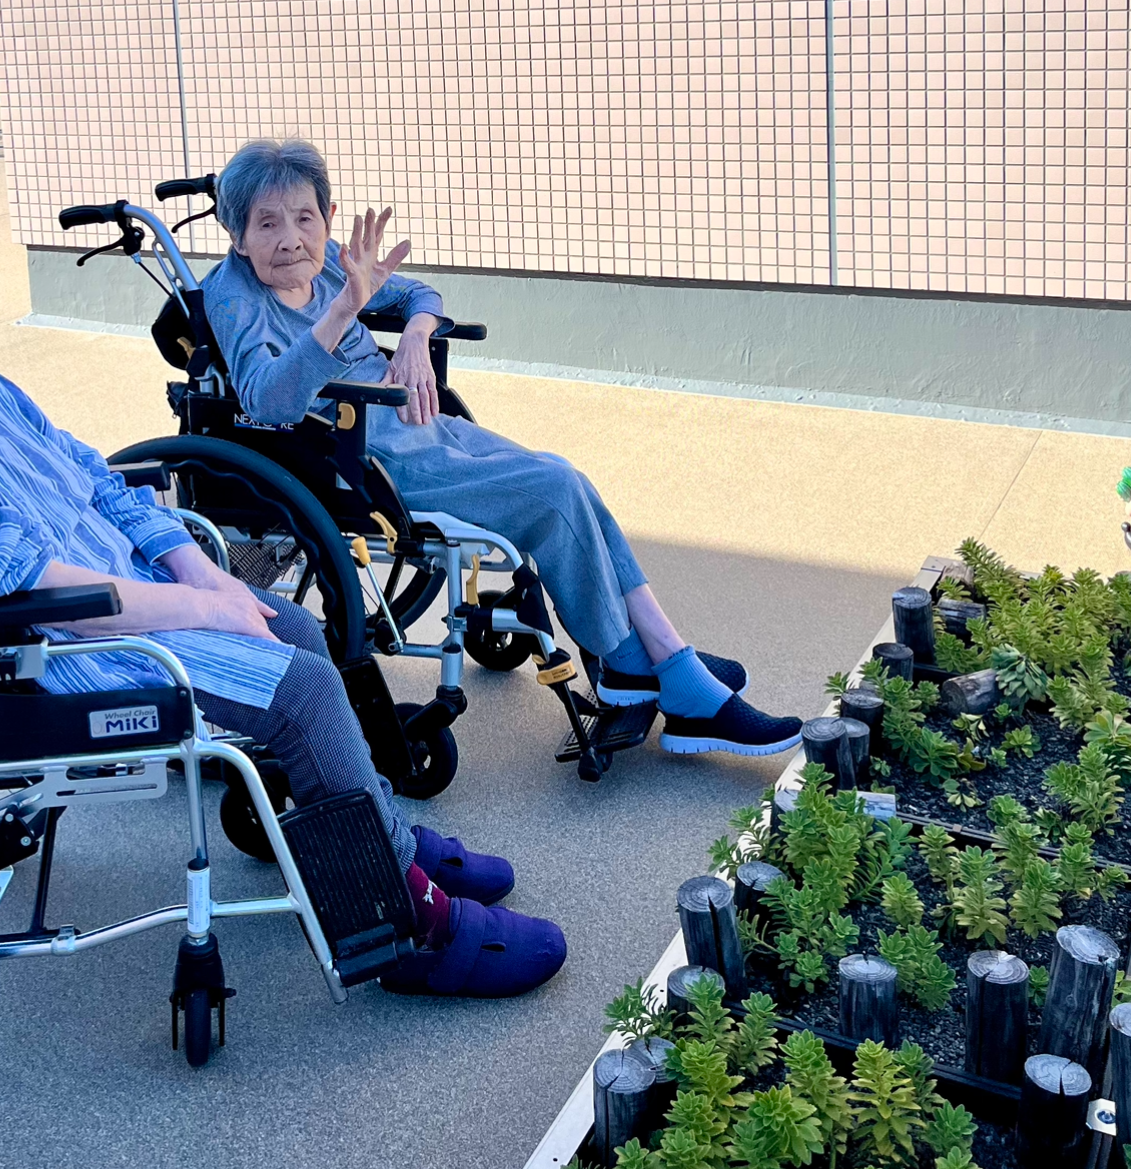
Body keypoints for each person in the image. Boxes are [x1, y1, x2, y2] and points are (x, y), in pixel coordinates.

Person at [0, 172, 564, 1000]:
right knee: (299, 688)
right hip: (6, 661)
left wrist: (203, 572)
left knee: (291, 629)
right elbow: (26, 588)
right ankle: (406, 926)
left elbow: (98, 481)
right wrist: (203, 605)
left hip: (79, 613)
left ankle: (377, 838)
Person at [204, 140, 804, 759]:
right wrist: (342, 312)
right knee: (553, 491)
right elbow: (269, 402)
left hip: (421, 424)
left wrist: (414, 337)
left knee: (566, 477)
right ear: (238, 236)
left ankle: (654, 660)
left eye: (304, 218)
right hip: (362, 456)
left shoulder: (332, 261)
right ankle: (652, 666)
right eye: (267, 224)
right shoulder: (233, 297)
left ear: (328, 218)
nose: (290, 239)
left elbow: (419, 295)